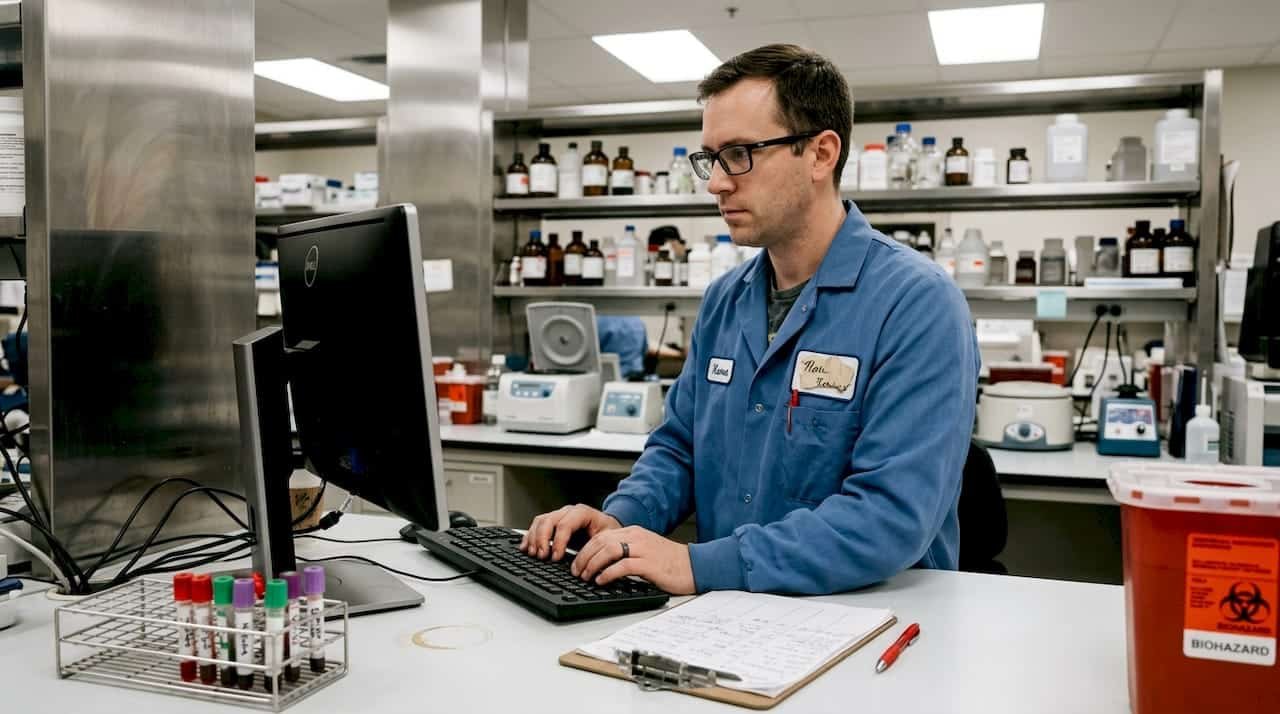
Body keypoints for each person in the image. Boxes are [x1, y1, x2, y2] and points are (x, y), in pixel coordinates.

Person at [520, 44, 979, 595]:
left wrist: (699, 565)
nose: (716, 182)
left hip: (873, 622)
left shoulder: (917, 304)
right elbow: (680, 449)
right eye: (711, 158)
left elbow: (888, 517)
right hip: (733, 619)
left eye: (739, 154)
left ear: (820, 154)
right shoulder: (725, 300)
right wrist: (620, 521)